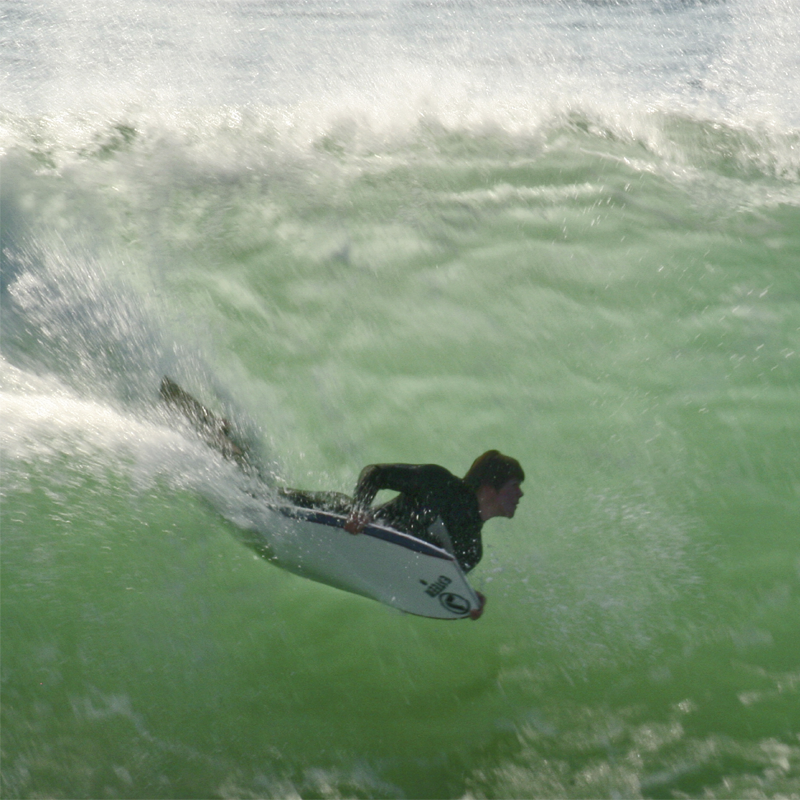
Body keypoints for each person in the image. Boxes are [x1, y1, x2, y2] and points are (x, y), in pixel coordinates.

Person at [342, 451, 524, 574]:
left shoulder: (471, 552)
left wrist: (467, 599)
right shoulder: (438, 484)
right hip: (344, 518)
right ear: (489, 487)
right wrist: (359, 509)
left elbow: (431, 583)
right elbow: (375, 473)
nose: (520, 494)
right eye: (514, 485)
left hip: (372, 555)